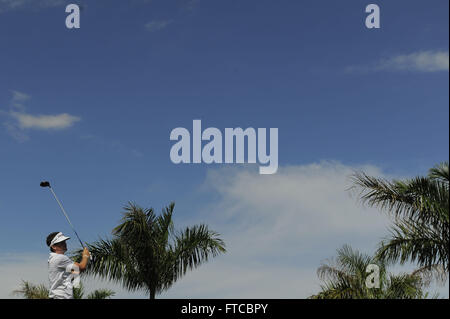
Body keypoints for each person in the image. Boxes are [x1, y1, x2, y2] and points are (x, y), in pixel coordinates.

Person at [46, 232, 90, 299]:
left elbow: (75, 273)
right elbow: (82, 266)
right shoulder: (60, 258)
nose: (64, 244)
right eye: (61, 243)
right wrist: (86, 255)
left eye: (64, 242)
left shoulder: (53, 258)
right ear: (53, 246)